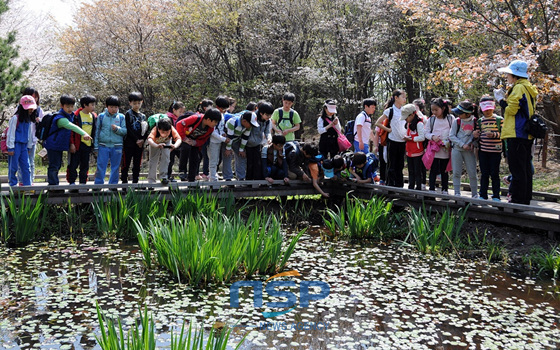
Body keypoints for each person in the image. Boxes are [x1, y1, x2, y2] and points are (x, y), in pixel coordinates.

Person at [495, 60, 538, 205]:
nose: (507, 76)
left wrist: (501, 100)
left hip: (516, 132)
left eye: (508, 73)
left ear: (515, 75)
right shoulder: (529, 88)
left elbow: (511, 110)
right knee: (525, 167)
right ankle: (525, 199)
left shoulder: (518, 88)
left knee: (517, 168)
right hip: (526, 134)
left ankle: (517, 200)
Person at [44, 94, 92, 188]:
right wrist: (84, 133)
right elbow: (71, 126)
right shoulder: (60, 118)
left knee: (57, 165)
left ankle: (55, 185)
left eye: (71, 106)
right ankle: (53, 186)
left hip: (59, 145)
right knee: (54, 165)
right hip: (53, 145)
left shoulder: (71, 115)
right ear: (62, 106)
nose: (70, 109)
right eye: (67, 106)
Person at [175, 107, 221, 182]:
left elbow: (204, 140)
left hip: (194, 142)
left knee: (196, 157)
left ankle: (191, 179)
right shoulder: (195, 118)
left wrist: (195, 143)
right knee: (186, 148)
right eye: (215, 122)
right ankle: (182, 171)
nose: (215, 124)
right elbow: (179, 124)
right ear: (209, 119)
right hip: (184, 137)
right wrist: (184, 138)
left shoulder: (210, 129)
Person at [375, 89, 407, 188]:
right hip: (392, 140)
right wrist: (388, 129)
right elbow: (378, 123)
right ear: (396, 98)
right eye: (403, 97)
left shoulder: (405, 110)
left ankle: (399, 185)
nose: (405, 99)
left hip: (402, 141)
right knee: (391, 164)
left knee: (400, 164)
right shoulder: (390, 111)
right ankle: (390, 186)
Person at [93, 96, 127, 186]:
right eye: (111, 107)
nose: (113, 109)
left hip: (117, 146)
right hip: (103, 145)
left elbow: (125, 131)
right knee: (101, 166)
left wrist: (117, 129)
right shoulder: (101, 116)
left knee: (115, 168)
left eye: (116, 107)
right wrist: (96, 146)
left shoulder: (121, 117)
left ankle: (113, 186)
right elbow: (97, 131)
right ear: (106, 106)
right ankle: (98, 185)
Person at [449, 100, 479, 198]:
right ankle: (457, 192)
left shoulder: (475, 121)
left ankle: (475, 194)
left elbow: (475, 135)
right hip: (457, 149)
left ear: (467, 114)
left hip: (469, 150)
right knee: (456, 172)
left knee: (472, 172)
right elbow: (451, 136)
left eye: (460, 113)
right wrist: (462, 144)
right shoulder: (456, 121)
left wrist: (470, 143)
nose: (458, 115)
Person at [67, 95, 97, 187]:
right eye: (92, 105)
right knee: (73, 164)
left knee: (85, 166)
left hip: (87, 145)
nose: (93, 107)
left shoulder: (94, 116)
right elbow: (71, 131)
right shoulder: (75, 116)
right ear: (85, 105)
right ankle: (72, 183)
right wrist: (71, 144)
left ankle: (83, 183)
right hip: (77, 145)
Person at [425, 98, 453, 194]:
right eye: (432, 110)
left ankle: (445, 189)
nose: (434, 112)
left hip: (445, 149)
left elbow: (453, 132)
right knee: (433, 169)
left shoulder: (450, 119)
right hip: (434, 150)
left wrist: (448, 141)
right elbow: (426, 133)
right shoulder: (431, 120)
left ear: (443, 108)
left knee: (444, 170)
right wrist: (432, 137)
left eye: (436, 110)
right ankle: (431, 188)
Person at [477, 95, 503, 201]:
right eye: (485, 110)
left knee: (495, 173)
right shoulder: (480, 121)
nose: (487, 111)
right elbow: (479, 133)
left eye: (489, 109)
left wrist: (494, 135)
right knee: (484, 173)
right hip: (483, 150)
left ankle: (496, 195)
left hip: (495, 151)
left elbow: (504, 134)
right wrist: (476, 134)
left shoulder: (499, 120)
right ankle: (483, 194)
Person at [6, 95, 36, 187]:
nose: (30, 110)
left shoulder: (28, 120)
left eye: (32, 108)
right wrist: (10, 147)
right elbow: (10, 133)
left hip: (24, 146)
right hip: (15, 145)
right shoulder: (15, 118)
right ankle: (13, 185)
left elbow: (29, 134)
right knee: (13, 166)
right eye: (28, 108)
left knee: (26, 166)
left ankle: (27, 185)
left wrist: (29, 146)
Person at [223, 111, 259, 181]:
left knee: (241, 156)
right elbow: (230, 137)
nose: (252, 126)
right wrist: (228, 149)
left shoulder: (248, 126)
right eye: (251, 124)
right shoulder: (232, 122)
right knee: (227, 156)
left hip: (236, 140)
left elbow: (245, 137)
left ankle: (241, 177)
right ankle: (228, 178)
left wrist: (241, 150)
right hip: (227, 140)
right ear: (244, 121)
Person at [120, 92, 147, 184]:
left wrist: (143, 139)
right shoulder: (128, 114)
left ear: (142, 102)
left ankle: (135, 181)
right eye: (134, 103)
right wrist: (136, 140)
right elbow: (128, 128)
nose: (137, 105)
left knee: (137, 164)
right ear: (130, 103)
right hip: (129, 143)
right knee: (126, 163)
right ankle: (124, 181)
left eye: (139, 103)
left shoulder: (143, 116)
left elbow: (145, 129)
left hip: (139, 145)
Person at [19, 87, 43, 184]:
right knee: (21, 162)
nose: (34, 99)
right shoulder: (20, 109)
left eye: (36, 97)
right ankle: (21, 181)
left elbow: (43, 123)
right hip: (22, 140)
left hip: (33, 139)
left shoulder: (38, 110)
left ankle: (30, 181)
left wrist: (39, 121)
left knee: (31, 162)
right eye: (32, 96)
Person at [147, 118, 181, 184]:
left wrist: (175, 146)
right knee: (153, 160)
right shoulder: (155, 129)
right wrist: (156, 145)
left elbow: (179, 139)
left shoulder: (172, 129)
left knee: (166, 158)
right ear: (159, 129)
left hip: (167, 142)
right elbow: (149, 140)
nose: (165, 134)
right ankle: (151, 180)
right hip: (155, 143)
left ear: (170, 130)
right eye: (163, 132)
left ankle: (163, 177)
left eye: (167, 132)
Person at [246, 101, 274, 180]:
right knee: (249, 163)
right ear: (261, 113)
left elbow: (267, 132)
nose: (269, 117)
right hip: (248, 144)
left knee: (258, 163)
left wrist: (269, 138)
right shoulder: (253, 118)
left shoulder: (267, 121)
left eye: (270, 115)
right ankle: (248, 182)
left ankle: (257, 181)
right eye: (267, 115)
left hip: (258, 144)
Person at [401, 103, 425, 190]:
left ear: (412, 115)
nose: (406, 120)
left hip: (417, 152)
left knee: (417, 171)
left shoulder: (419, 124)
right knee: (410, 171)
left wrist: (411, 139)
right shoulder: (408, 124)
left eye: (406, 117)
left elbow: (422, 137)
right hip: (409, 151)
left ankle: (418, 187)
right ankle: (411, 187)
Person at [207, 96, 230, 181]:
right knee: (213, 160)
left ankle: (214, 175)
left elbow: (220, 128)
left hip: (219, 141)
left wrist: (223, 134)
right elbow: (212, 132)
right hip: (213, 141)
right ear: (218, 107)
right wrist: (223, 139)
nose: (225, 110)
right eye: (223, 109)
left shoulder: (222, 115)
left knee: (217, 160)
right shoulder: (214, 114)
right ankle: (213, 178)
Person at [166, 101, 186, 180]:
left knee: (182, 159)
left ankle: (183, 175)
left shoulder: (182, 118)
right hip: (171, 142)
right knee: (170, 161)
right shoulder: (168, 118)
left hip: (179, 142)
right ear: (174, 110)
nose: (181, 113)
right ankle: (167, 176)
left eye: (183, 112)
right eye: (180, 112)